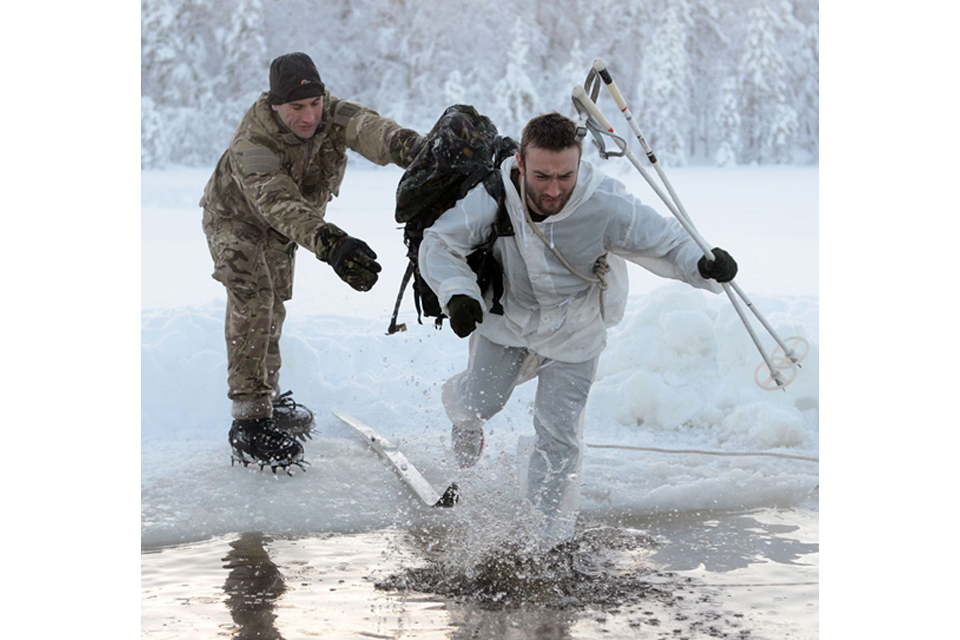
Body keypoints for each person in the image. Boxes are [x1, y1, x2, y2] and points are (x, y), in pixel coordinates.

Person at [418, 112, 738, 545]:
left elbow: (667, 240)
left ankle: (544, 536)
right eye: (542, 176)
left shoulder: (604, 202)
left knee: (558, 436)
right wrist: (458, 293)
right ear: (520, 164)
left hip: (576, 329)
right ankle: (467, 425)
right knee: (479, 401)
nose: (553, 189)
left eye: (565, 175)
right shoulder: (493, 197)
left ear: (579, 164)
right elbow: (440, 242)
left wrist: (702, 264)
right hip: (508, 320)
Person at [200, 52, 423, 472]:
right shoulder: (253, 140)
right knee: (254, 296)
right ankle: (248, 421)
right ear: (274, 105)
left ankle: (268, 393)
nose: (308, 117)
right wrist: (331, 243)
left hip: (286, 224)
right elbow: (279, 203)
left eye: (315, 105)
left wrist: (414, 148)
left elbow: (371, 129)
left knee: (276, 300)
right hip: (237, 220)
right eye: (296, 108)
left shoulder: (330, 113)